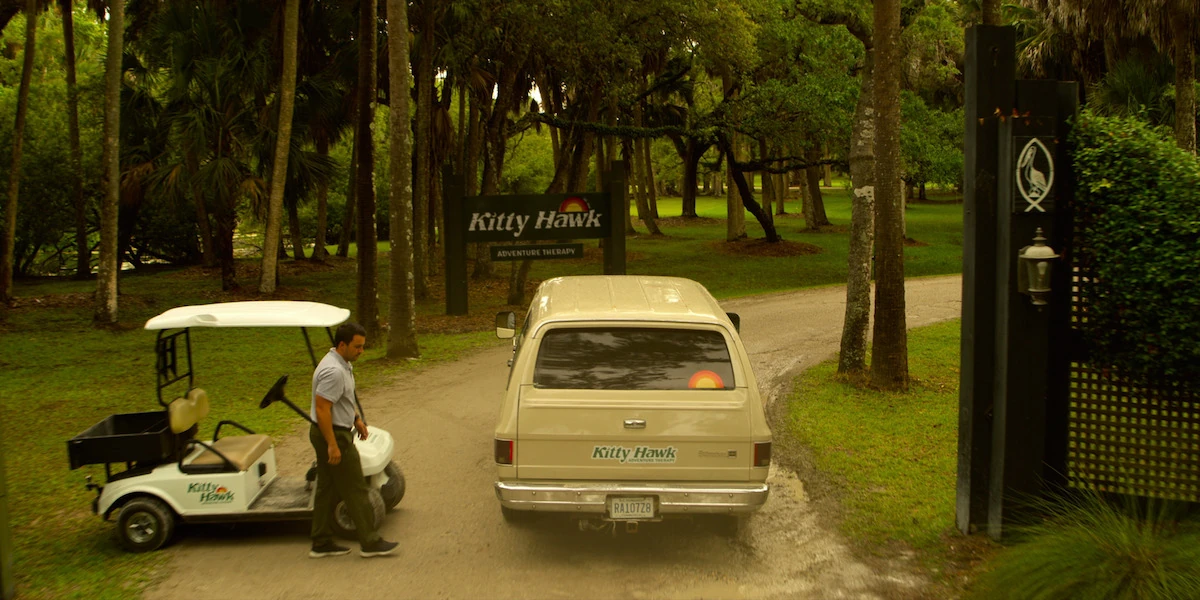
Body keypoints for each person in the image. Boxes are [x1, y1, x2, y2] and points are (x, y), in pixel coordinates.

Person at [308, 322, 398, 558]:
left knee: (326, 487)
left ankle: (320, 541)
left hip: (334, 430)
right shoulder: (334, 371)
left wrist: (356, 419)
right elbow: (322, 409)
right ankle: (370, 542)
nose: (361, 351)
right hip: (333, 433)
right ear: (342, 345)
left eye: (362, 346)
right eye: (357, 347)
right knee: (356, 487)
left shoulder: (342, 364)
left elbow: (342, 400)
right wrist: (332, 444)